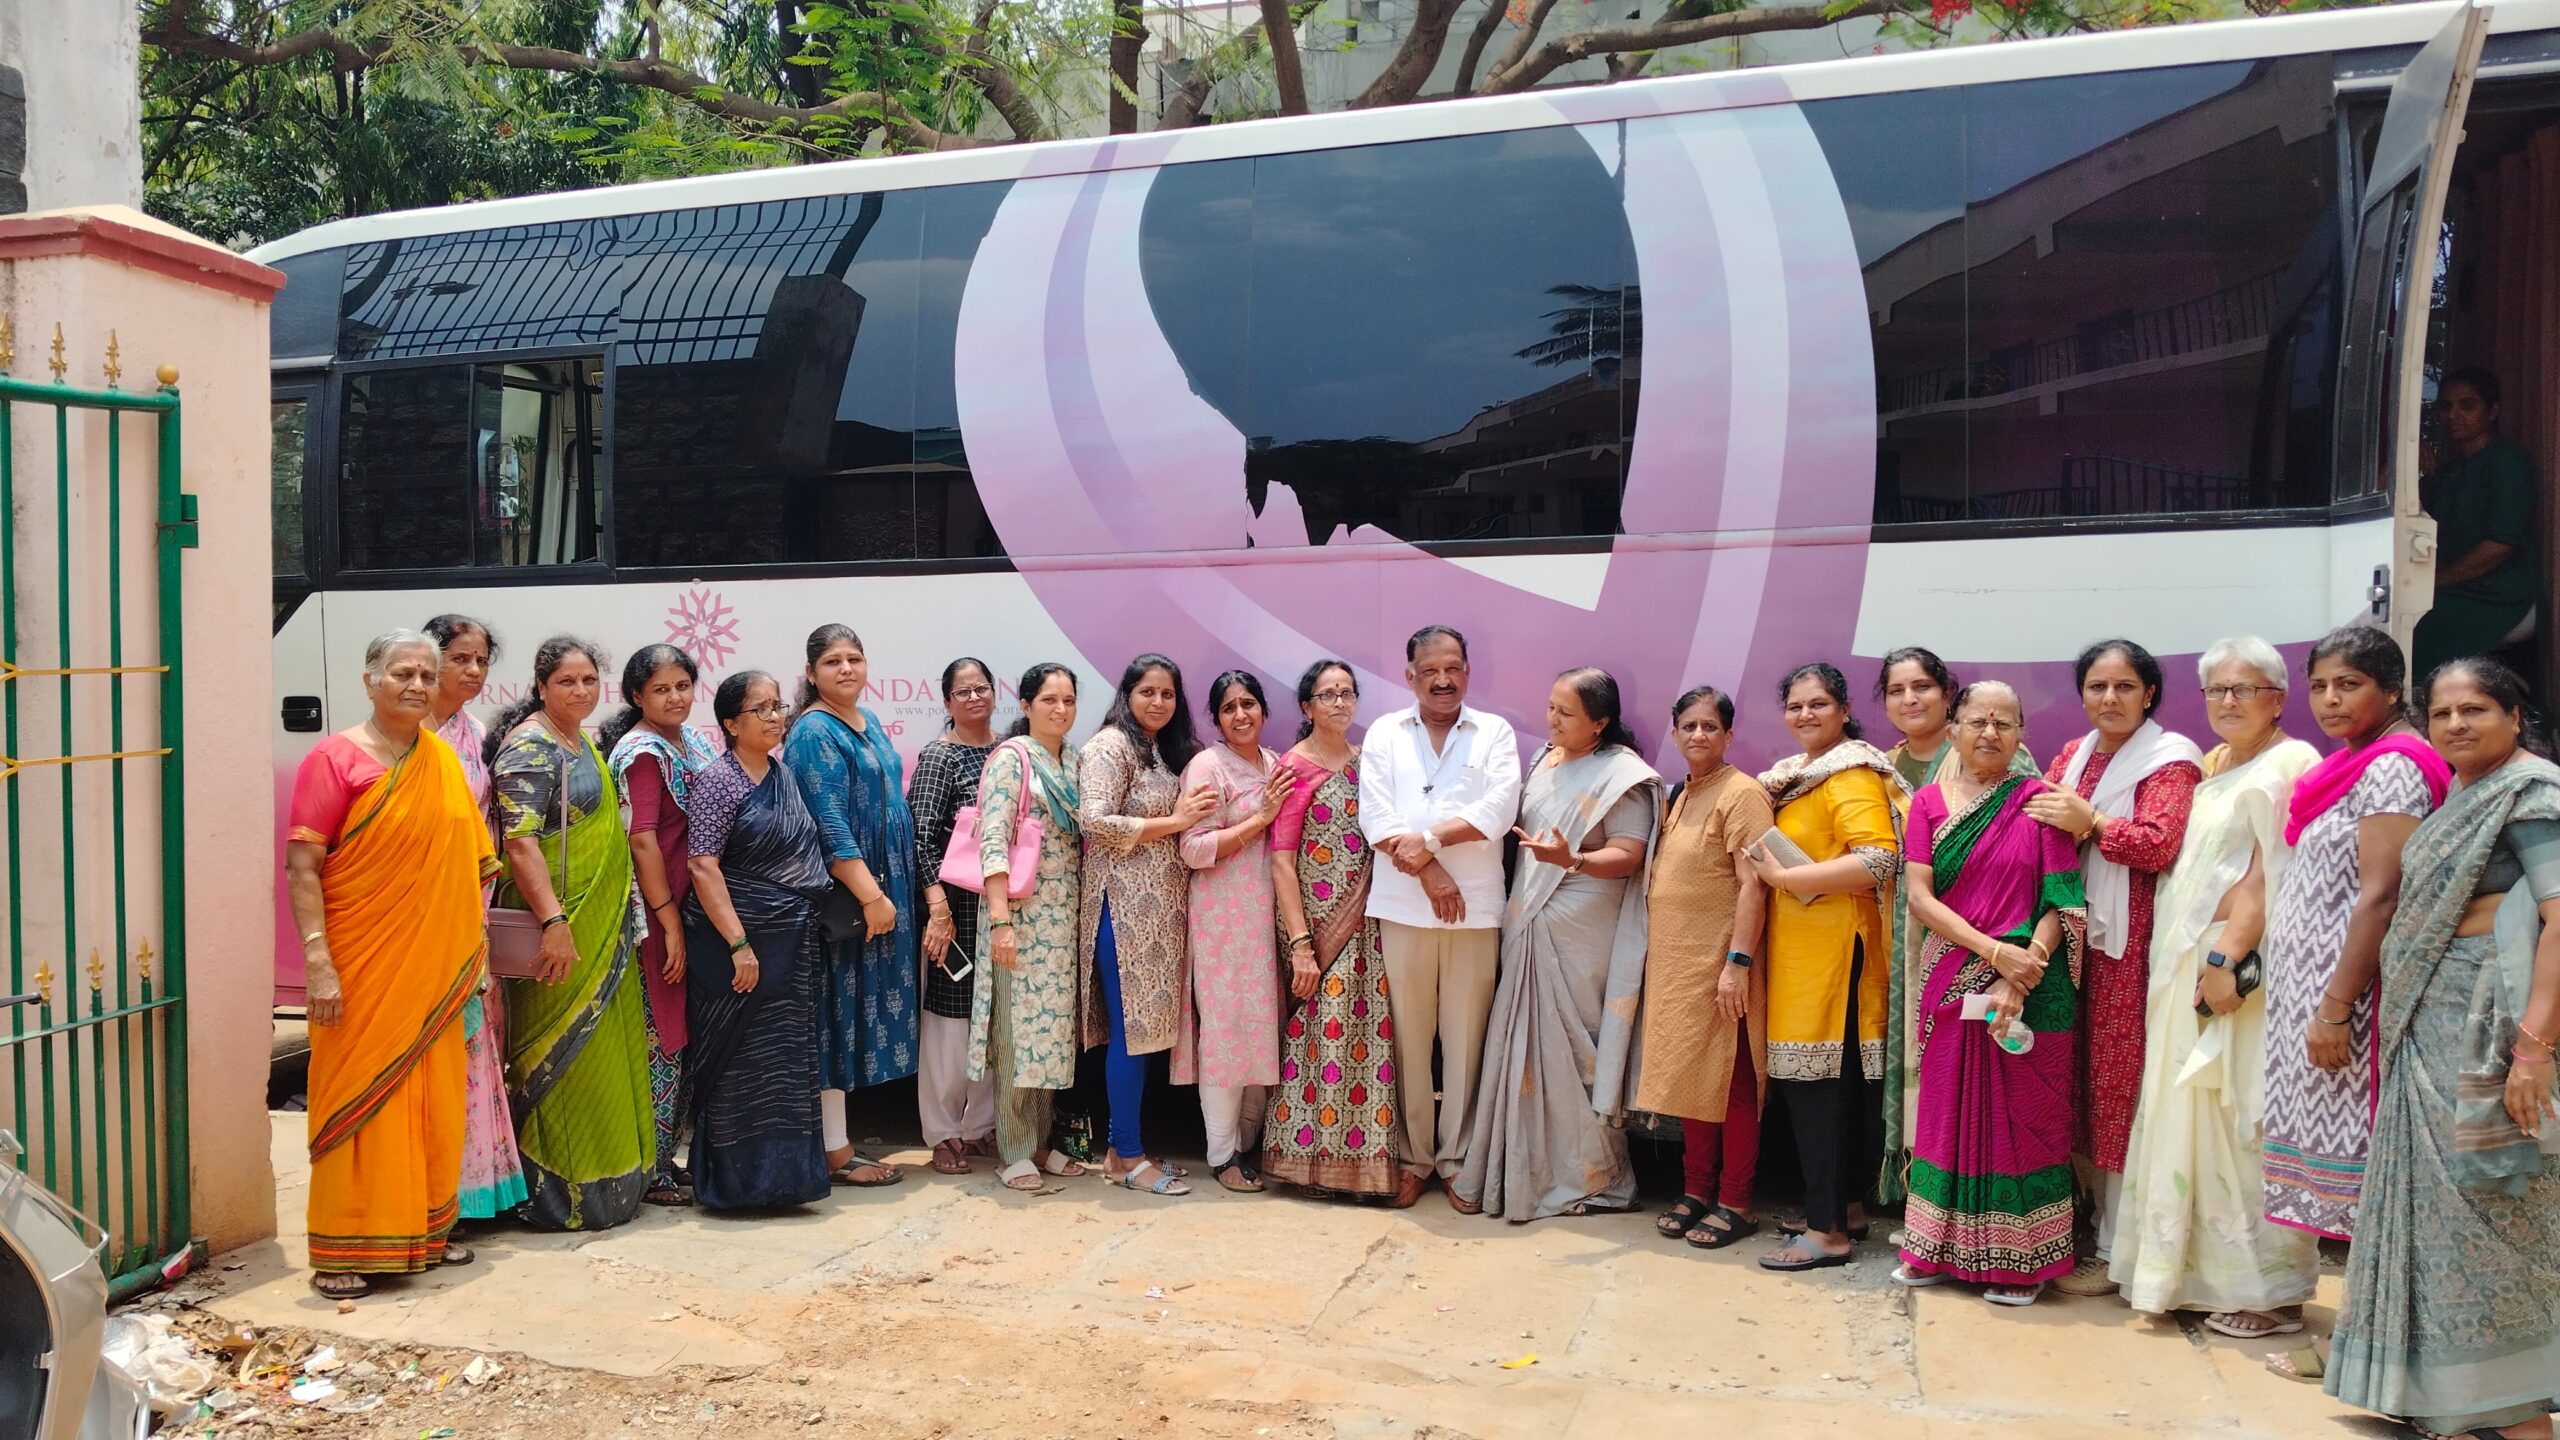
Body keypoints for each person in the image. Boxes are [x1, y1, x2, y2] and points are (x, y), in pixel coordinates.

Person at [2326, 656, 2560, 1440]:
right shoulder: (2461, 796)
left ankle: (2520, 1415)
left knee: (2495, 1211)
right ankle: (2453, 1405)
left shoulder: (2532, 796)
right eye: (2443, 713)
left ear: (2514, 717)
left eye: (2476, 709)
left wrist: (2533, 1050)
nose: (2457, 724)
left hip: (2492, 1038)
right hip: (2432, 1030)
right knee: (2437, 1221)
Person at [2107, 637, 2322, 1331]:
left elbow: (2266, 872)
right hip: (2184, 965)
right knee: (2188, 1116)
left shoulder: (2290, 763)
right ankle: (2198, 1278)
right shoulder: (2215, 763)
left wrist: (2227, 958)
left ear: (2277, 700)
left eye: (2245, 688)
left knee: (2238, 1118)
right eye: (2217, 690)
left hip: (2236, 971)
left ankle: (2271, 1294)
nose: (2228, 701)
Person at [286, 630, 496, 1298]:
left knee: (434, 1102)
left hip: (434, 969)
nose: (417, 685)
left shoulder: (442, 761)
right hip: (359, 966)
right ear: (370, 680)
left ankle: (423, 1232)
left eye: (427, 676)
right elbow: (302, 866)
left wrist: (473, 956)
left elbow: (467, 868)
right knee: (357, 1095)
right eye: (403, 673)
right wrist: (317, 962)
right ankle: (343, 1245)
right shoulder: (334, 758)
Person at [2261, 626, 2450, 1265]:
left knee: (2368, 1174)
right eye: (2318, 686)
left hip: (2354, 1000)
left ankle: (2375, 1312)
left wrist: (2336, 1007)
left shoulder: (2393, 767)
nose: (2330, 700)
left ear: (2392, 690)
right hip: (2317, 992)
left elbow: (2382, 895)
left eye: (2349, 684)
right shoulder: (2354, 762)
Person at [1895, 681, 2086, 1306]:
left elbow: (2064, 899)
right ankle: (1933, 1248)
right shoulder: (1927, 803)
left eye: (2005, 722)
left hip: (2032, 983)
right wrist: (1991, 951)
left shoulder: (2039, 802)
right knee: (1947, 1113)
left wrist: (2021, 966)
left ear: (2021, 734)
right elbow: (1920, 897)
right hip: (1955, 975)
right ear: (1953, 730)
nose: (1990, 733)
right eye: (1978, 721)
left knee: (2023, 1119)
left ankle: (2020, 1262)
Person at [1453, 668, 1659, 1222]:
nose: (1552, 720)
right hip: (1529, 917)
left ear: (1601, 722)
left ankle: (1597, 1180)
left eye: (1566, 713)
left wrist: (1573, 859)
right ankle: (1522, 1170)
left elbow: (1630, 854)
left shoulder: (1623, 775)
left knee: (1575, 1049)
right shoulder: (1545, 759)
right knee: (1523, 1046)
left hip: (1582, 926)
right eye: (1550, 707)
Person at [2029, 638, 2202, 1295]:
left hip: (2132, 949)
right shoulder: (2073, 755)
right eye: (2097, 686)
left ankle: (2117, 1246)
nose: (2110, 698)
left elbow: (2158, 846)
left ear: (2149, 693)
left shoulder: (2171, 759)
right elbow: (2041, 824)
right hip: (2070, 937)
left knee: (2118, 1087)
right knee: (2073, 1079)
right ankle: (2084, 1223)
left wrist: (2093, 821)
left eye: (2125, 686)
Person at [487, 636, 655, 1233]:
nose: (580, 691)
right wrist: (555, 923)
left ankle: (611, 1182)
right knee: (556, 1054)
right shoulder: (530, 746)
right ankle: (557, 1193)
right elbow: (520, 844)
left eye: (588, 680)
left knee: (599, 1053)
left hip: (600, 925)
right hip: (558, 930)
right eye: (566, 682)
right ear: (540, 687)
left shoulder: (580, 740)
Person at [1358, 626, 1523, 1213]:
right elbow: (1375, 815)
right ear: (1410, 676)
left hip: (1473, 909)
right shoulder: (1385, 732)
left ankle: (1457, 1162)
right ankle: (1412, 1159)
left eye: (1453, 668)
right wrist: (1428, 870)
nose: (1443, 680)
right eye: (1430, 670)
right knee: (1407, 1040)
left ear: (1468, 671)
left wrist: (1427, 841)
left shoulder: (1494, 732)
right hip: (1403, 907)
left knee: (1465, 1040)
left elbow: (1498, 810)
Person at [1747, 662, 1900, 1273]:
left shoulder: (1850, 773)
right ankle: (1847, 1210)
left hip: (1836, 958)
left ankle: (1826, 1231)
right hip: (1805, 954)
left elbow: (1879, 859)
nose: (1805, 714)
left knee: (1822, 1095)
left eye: (1819, 704)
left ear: (1844, 710)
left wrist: (1787, 878)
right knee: (1829, 1093)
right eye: (1795, 705)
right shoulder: (1797, 777)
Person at [1875, 646, 2035, 1206]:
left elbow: (2038, 865)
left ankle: (1989, 1216)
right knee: (1932, 1075)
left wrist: (2005, 954)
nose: (1910, 699)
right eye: (1896, 690)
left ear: (1948, 699)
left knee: (1995, 1091)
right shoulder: (1882, 768)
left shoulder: (2011, 764)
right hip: (1910, 943)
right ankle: (1929, 1205)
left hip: (2002, 947)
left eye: (1922, 686)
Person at [677, 671, 834, 1211]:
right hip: (737, 950)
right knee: (738, 1066)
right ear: (730, 723)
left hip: (790, 947)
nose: (774, 717)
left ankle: (786, 1183)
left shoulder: (782, 774)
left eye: (777, 706)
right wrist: (739, 944)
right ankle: (734, 1187)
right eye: (760, 709)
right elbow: (703, 865)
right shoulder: (719, 782)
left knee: (785, 1066)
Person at [1264, 660, 1413, 1205]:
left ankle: (1361, 1169)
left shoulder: (1367, 762)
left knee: (1366, 1036)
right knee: (1318, 1034)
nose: (1339, 703)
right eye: (1327, 695)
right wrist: (1301, 945)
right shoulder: (1294, 767)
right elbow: (1281, 861)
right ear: (1307, 707)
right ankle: (1310, 1167)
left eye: (1347, 693)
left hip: (1367, 922)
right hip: (1315, 929)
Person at [1640, 684, 1775, 1250]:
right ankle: (1697, 1190)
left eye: (1710, 727)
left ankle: (1737, 1201)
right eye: (1689, 726)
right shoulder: (1682, 793)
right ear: (1673, 734)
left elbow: (1754, 884)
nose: (1698, 735)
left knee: (1734, 1084)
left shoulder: (1742, 794)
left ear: (1728, 735)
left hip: (1724, 965)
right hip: (1679, 968)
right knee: (1696, 1083)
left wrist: (1737, 963)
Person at [1080, 653, 1216, 1197]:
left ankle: (1123, 1149)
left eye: (1167, 693)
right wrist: (1176, 821)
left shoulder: (1163, 750)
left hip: (1162, 916)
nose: (1158, 702)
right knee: (1131, 1036)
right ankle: (1128, 1157)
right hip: (1122, 911)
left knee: (1148, 1036)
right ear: (1127, 695)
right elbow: (1094, 821)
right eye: (1147, 692)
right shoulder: (1109, 746)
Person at [784, 624, 913, 1189]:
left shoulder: (868, 720)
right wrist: (872, 895)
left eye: (854, 658)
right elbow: (828, 822)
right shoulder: (813, 731)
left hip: (883, 886)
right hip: (850, 897)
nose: (845, 669)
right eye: (832, 661)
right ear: (811, 674)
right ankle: (832, 1149)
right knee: (832, 1017)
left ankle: (838, 1141)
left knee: (853, 1016)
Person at [602, 643, 718, 1208]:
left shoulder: (693, 742)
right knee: (661, 1035)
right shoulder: (642, 753)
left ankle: (669, 1156)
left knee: (686, 1035)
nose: (675, 698)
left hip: (694, 908)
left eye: (682, 686)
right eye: (661, 690)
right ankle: (650, 1167)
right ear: (636, 697)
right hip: (655, 913)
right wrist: (668, 919)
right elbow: (642, 839)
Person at [422, 612, 525, 1224]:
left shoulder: (477, 733)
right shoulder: (406, 734)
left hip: (473, 908)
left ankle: (472, 1192)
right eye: (460, 658)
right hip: (419, 914)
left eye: (482, 660)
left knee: (478, 1046)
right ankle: (430, 1195)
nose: (474, 670)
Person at [974, 663, 1093, 1193]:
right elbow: (992, 839)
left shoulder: (1074, 761)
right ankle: (1013, 1151)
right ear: (1025, 706)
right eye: (1049, 700)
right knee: (1019, 1035)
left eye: (1068, 700)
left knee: (1051, 1036)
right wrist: (1000, 921)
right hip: (1020, 919)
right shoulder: (1012, 758)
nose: (1060, 709)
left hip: (1062, 922)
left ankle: (1040, 1143)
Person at [1176, 671, 1296, 1193]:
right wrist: (1258, 820)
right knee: (1226, 1035)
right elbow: (1193, 848)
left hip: (1268, 923)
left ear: (1265, 710)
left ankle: (1247, 1144)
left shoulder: (1275, 763)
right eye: (1229, 708)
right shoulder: (1207, 767)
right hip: (1223, 923)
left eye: (1249, 704)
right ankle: (1222, 1154)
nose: (1241, 715)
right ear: (1217, 719)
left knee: (1260, 1031)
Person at [910, 658, 1002, 1175]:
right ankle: (943, 1131)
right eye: (962, 691)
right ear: (947, 702)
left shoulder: (1009, 751)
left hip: (1003, 911)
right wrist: (937, 908)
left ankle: (981, 1126)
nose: (973, 698)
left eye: (981, 688)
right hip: (954, 912)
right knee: (950, 1025)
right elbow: (919, 836)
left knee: (994, 1020)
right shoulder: (939, 757)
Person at [2413, 367, 2542, 681]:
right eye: (2446, 406)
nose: (2453, 415)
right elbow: (2410, 514)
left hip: (2498, 592)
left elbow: (2500, 545)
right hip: (2457, 586)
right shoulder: (2452, 470)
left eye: (2467, 405)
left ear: (2492, 411)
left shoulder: (2508, 461)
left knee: (2415, 622)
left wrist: (2439, 581)